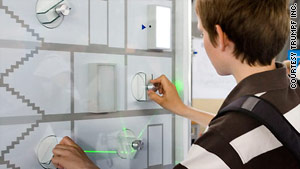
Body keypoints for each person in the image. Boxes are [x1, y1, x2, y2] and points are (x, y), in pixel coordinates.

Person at [52, 0, 300, 168]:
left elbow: (239, 132)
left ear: (221, 38)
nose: (202, 40)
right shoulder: (292, 85)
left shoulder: (221, 145)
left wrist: (86, 166)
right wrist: (182, 109)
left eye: (202, 33)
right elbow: (260, 122)